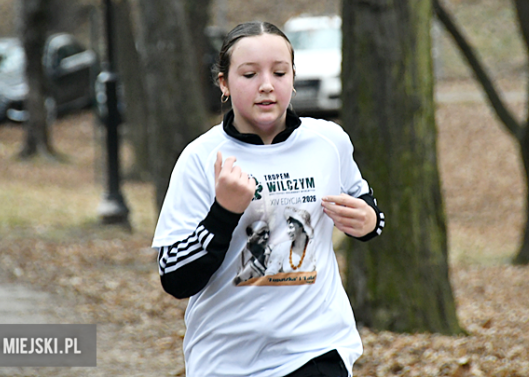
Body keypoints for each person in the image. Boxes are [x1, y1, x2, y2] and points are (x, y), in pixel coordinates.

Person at [152, 21, 386, 377]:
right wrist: (224, 212)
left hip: (317, 349)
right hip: (226, 359)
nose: (266, 85)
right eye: (249, 74)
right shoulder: (201, 158)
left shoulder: (329, 142)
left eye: (280, 72)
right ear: (224, 84)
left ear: (293, 77)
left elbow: (365, 205)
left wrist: (368, 222)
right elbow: (175, 277)